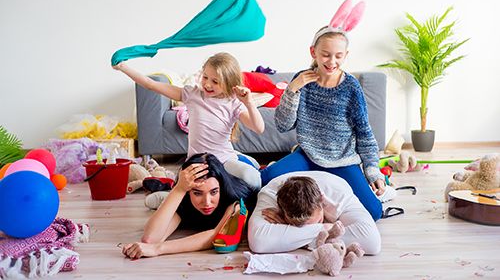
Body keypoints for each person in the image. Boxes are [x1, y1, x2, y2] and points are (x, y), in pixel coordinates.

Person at [259, 22, 388, 221]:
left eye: (338, 55)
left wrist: (373, 172)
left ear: (345, 55)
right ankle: (307, 210)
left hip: (341, 159)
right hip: (308, 155)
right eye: (326, 54)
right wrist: (292, 90)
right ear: (313, 52)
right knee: (266, 178)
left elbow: (365, 133)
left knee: (374, 212)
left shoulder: (351, 88)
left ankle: (316, 212)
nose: (331, 61)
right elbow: (283, 125)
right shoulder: (301, 80)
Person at [113, 52, 264, 192]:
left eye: (215, 81)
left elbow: (259, 128)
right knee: (182, 188)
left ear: (230, 83)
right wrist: (123, 67)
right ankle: (240, 162)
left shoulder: (233, 103)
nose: (207, 84)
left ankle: (241, 160)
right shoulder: (192, 94)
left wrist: (249, 103)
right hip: (198, 162)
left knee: (253, 179)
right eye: (205, 77)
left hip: (224, 159)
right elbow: (150, 84)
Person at [121, 153, 257, 258]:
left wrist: (158, 249)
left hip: (247, 172)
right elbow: (150, 238)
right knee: (170, 201)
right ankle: (167, 193)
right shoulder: (184, 196)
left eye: (214, 192)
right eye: (198, 193)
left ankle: (163, 196)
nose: (207, 202)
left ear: (220, 188)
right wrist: (178, 189)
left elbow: (215, 235)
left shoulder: (233, 199)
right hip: (181, 191)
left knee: (254, 174)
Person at [248, 171, 381, 255]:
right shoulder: (270, 194)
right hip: (282, 176)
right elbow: (258, 242)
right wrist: (325, 228)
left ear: (322, 201)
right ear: (282, 212)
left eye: (318, 221)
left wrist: (291, 236)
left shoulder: (339, 194)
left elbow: (372, 242)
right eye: (296, 226)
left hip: (333, 175)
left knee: (375, 209)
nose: (318, 225)